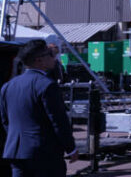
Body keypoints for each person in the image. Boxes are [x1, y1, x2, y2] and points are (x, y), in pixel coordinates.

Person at [0, 40, 77, 176]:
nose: (54, 58)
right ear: (39, 60)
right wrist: (70, 148)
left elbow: (6, 121)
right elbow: (59, 121)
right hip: (44, 154)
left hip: (15, 152)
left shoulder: (8, 86)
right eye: (50, 55)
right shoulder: (46, 85)